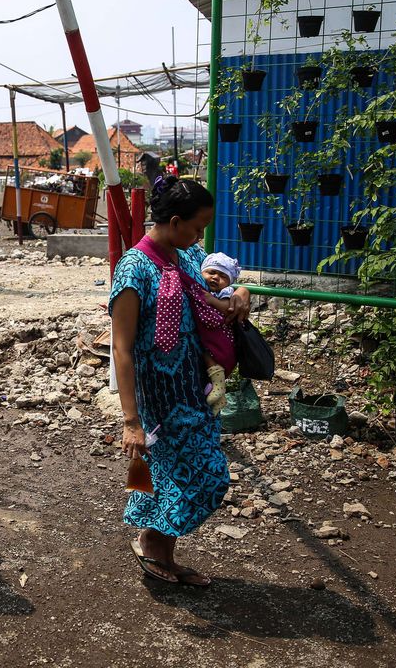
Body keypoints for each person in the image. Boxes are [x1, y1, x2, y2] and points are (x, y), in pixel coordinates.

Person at [110, 176, 250, 585]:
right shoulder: (135, 269)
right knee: (206, 476)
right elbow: (122, 349)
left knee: (182, 475)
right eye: (197, 227)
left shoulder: (186, 258)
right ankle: (155, 544)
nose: (200, 235)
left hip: (194, 390)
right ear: (174, 221)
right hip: (158, 400)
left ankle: (160, 551)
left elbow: (219, 289)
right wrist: (131, 421)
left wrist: (241, 292)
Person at [189, 252, 242, 412]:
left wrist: (212, 301)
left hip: (220, 332)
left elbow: (228, 309)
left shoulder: (225, 292)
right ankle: (218, 396)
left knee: (209, 354)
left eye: (222, 275)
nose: (215, 277)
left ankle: (219, 385)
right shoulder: (200, 287)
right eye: (211, 272)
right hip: (205, 333)